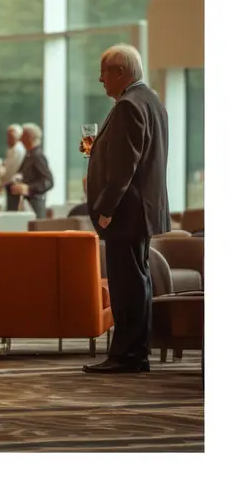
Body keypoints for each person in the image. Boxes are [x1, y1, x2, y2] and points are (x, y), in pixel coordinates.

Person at [82, 44, 170, 375]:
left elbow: (125, 167)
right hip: (142, 211)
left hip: (127, 213)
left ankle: (128, 356)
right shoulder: (152, 102)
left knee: (127, 286)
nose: (100, 79)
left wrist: (105, 208)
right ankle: (134, 352)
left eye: (103, 72)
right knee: (138, 282)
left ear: (120, 72)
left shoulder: (128, 106)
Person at [6, 124, 53, 216]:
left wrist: (29, 188)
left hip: (34, 206)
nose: (20, 140)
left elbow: (48, 181)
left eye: (23, 136)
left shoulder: (38, 157)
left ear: (29, 138)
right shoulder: (28, 155)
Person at [0, 124, 26, 196]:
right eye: (8, 136)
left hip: (15, 187)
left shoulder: (18, 150)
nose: (8, 139)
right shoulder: (11, 149)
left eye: (11, 136)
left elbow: (8, 173)